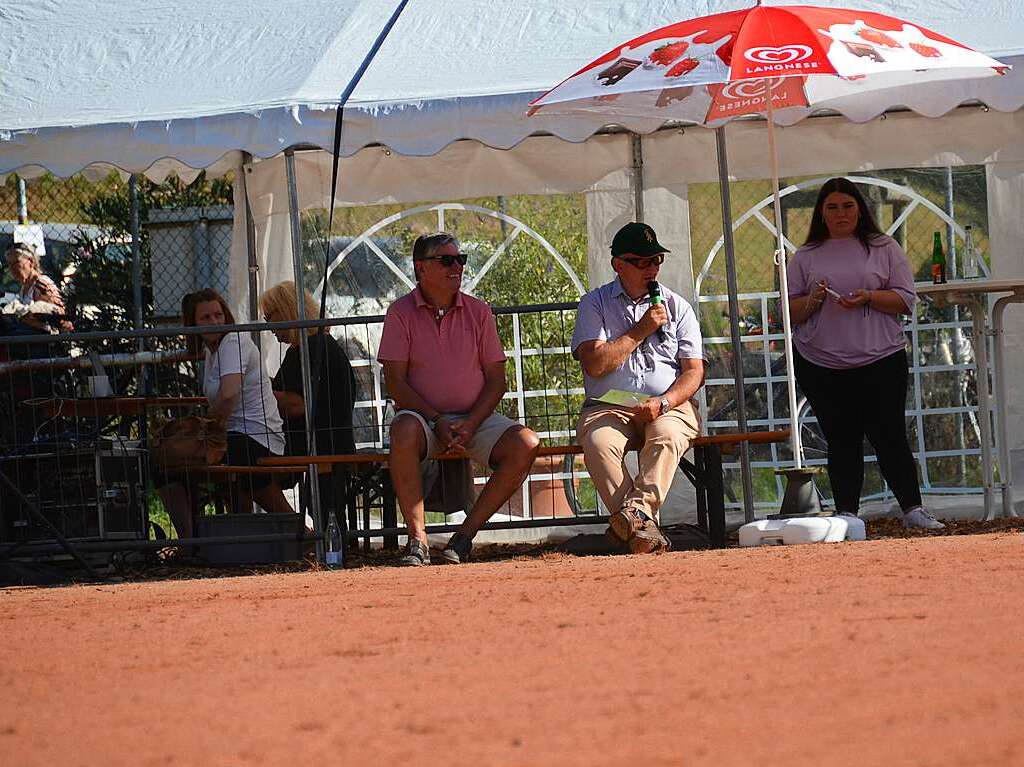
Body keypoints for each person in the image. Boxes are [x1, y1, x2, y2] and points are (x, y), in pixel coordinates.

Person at [787, 177, 943, 530]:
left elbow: (905, 300)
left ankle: (913, 509)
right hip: (821, 361)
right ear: (821, 214)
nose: (840, 213)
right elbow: (788, 311)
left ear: (860, 210)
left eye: (847, 206)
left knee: (889, 435)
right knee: (841, 438)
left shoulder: (884, 247)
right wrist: (813, 301)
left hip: (881, 358)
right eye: (832, 207)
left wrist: (869, 296)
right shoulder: (805, 256)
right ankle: (846, 514)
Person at [378, 232, 540, 566]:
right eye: (447, 260)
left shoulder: (479, 312)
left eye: (460, 259)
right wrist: (437, 420)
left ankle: (464, 537)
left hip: (472, 420)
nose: (458, 267)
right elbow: (395, 383)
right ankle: (417, 540)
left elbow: (497, 382)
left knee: (527, 443)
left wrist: (470, 424)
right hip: (423, 420)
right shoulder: (400, 313)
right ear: (421, 268)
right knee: (403, 430)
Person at [572, 222, 705, 554]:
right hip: (608, 407)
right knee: (599, 444)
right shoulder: (595, 304)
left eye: (657, 260)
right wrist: (641, 329)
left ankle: (633, 519)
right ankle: (642, 530)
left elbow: (693, 372)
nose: (652, 268)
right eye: (642, 262)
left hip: (666, 406)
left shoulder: (677, 306)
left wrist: (664, 402)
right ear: (619, 264)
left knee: (668, 435)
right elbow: (596, 364)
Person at [158, 289, 293, 541]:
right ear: (192, 323)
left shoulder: (233, 341)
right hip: (233, 435)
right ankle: (191, 538)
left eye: (218, 315)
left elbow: (229, 393)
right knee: (166, 462)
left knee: (218, 460)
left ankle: (293, 527)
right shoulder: (213, 351)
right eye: (205, 318)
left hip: (258, 437)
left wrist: (206, 426)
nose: (214, 322)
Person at [260, 281, 357, 523]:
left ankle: (292, 528)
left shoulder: (310, 348)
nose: (270, 328)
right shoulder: (316, 345)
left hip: (318, 442)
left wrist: (258, 393)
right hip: (327, 439)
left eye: (269, 318)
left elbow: (298, 404)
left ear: (286, 312)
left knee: (251, 472)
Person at [3, 242, 73, 334]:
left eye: (16, 262)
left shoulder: (41, 284)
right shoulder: (24, 287)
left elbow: (59, 317)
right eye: (9, 264)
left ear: (31, 262)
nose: (12, 268)